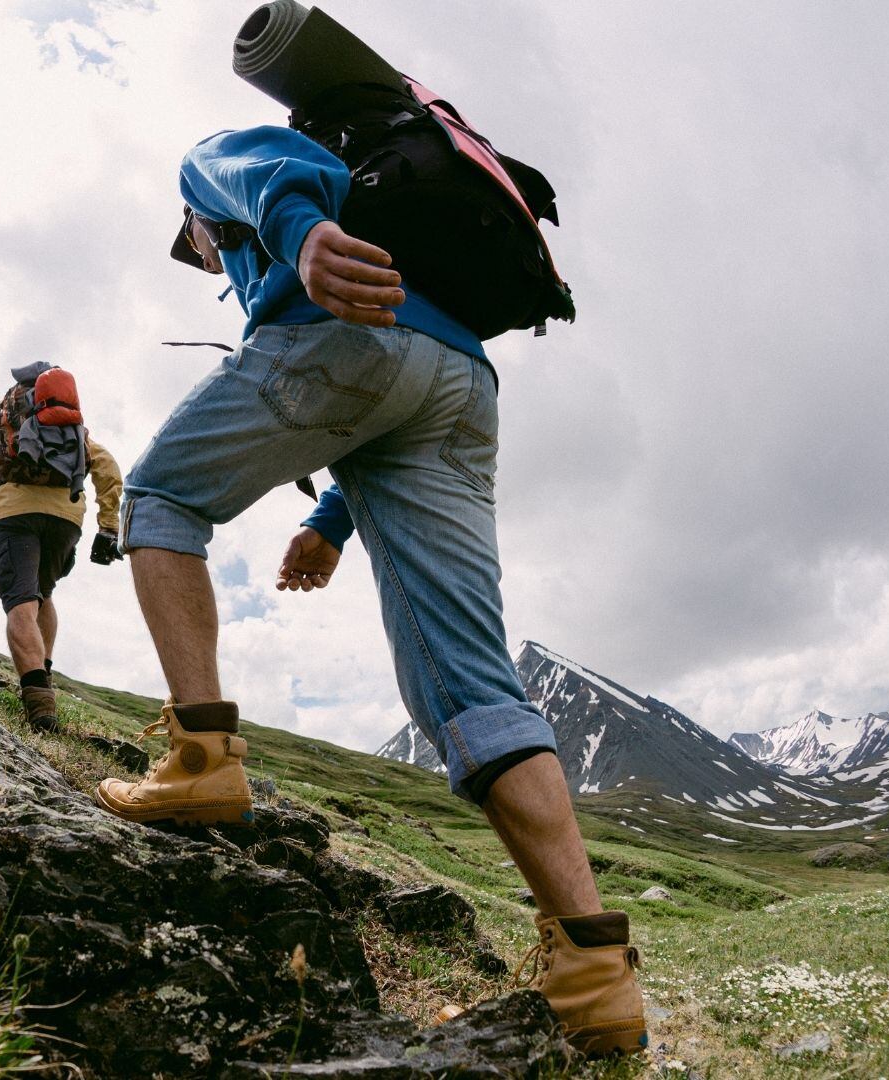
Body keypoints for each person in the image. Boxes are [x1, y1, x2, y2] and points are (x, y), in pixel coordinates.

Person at [94, 126, 647, 1056]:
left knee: (158, 500)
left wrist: (302, 237)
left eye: (193, 247)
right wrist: (329, 522)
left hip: (343, 338)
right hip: (462, 381)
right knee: (473, 686)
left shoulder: (211, 173)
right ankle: (595, 977)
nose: (200, 256)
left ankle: (200, 764)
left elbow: (262, 166)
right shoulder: (410, 245)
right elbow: (392, 400)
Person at [0, 363, 123, 729]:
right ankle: (44, 676)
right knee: (43, 593)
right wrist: (108, 525)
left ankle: (40, 707)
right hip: (66, 520)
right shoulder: (73, 429)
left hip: (14, 516)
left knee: (21, 604)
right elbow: (108, 469)